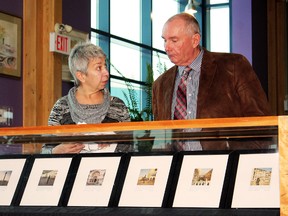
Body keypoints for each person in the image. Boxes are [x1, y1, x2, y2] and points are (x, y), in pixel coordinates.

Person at [152, 13, 273, 150]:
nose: (167, 47)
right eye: (165, 40)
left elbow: (261, 122)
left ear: (195, 40)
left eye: (174, 40)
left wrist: (239, 163)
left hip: (224, 165)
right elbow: (160, 137)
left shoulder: (233, 67)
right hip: (177, 167)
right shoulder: (160, 85)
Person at [41, 41, 132, 154]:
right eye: (99, 68)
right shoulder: (61, 107)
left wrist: (113, 141)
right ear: (81, 76)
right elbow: (45, 151)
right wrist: (57, 151)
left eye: (105, 66)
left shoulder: (118, 106)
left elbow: (129, 148)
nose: (106, 73)